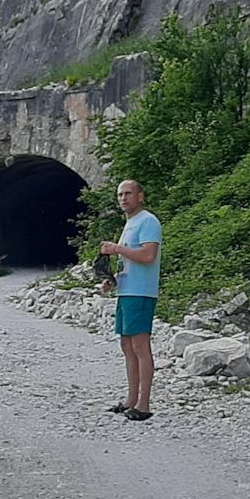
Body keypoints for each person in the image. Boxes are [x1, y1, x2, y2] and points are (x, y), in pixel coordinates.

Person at [99, 179, 161, 420]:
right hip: (126, 290)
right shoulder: (130, 224)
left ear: (140, 196)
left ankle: (144, 404)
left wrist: (116, 249)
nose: (123, 198)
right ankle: (131, 399)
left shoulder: (148, 221)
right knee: (127, 346)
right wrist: (112, 279)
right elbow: (130, 258)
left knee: (140, 346)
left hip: (141, 291)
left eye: (128, 194)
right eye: (120, 195)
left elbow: (148, 255)